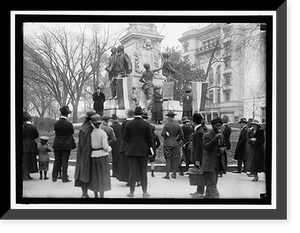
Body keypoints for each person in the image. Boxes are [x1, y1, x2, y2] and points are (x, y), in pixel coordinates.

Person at [123, 106, 154, 198]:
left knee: (132, 171)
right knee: (143, 171)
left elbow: (125, 138)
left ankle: (131, 191)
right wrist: (151, 149)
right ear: (141, 114)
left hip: (131, 150)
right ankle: (144, 191)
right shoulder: (147, 125)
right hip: (143, 151)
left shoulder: (129, 124)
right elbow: (150, 139)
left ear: (134, 114)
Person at [74, 109, 96, 198]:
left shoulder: (84, 126)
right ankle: (85, 193)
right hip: (86, 154)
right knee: (85, 173)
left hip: (82, 153)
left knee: (82, 172)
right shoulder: (89, 128)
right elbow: (88, 143)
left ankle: (84, 193)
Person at [89, 114, 112, 198]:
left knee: (95, 176)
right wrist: (110, 148)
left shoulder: (91, 133)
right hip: (102, 155)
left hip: (93, 155)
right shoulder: (103, 133)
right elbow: (105, 147)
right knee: (103, 176)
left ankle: (95, 195)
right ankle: (102, 195)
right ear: (100, 123)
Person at [201, 117, 224, 198]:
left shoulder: (221, 135)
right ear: (213, 126)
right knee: (212, 184)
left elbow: (225, 145)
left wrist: (223, 149)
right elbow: (206, 147)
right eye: (217, 125)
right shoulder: (206, 135)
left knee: (212, 183)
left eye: (220, 126)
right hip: (209, 163)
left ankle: (207, 197)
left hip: (217, 163)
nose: (219, 127)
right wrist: (215, 139)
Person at [52, 106, 76, 183]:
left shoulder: (56, 123)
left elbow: (55, 131)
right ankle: (64, 177)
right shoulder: (69, 124)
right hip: (66, 144)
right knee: (65, 161)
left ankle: (54, 177)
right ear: (67, 115)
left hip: (57, 143)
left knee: (57, 160)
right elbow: (72, 132)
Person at [161, 110, 184, 179]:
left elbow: (162, 134)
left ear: (168, 117)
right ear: (173, 117)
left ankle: (167, 174)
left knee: (168, 159)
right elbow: (181, 134)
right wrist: (176, 139)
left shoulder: (166, 125)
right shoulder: (177, 125)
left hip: (167, 143)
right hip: (175, 143)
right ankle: (174, 174)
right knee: (174, 158)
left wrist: (166, 135)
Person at [189, 113, 205, 198]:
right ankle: (199, 190)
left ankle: (200, 192)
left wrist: (197, 159)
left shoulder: (199, 132)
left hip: (199, 157)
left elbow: (199, 147)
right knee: (199, 174)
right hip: (197, 156)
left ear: (194, 121)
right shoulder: (198, 130)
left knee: (200, 174)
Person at [116, 109, 134, 184]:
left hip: (124, 145)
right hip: (133, 145)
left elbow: (122, 133)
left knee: (125, 164)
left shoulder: (124, 123)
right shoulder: (133, 122)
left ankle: (127, 179)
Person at [23, 111, 39, 180]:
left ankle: (25, 173)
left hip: (24, 143)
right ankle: (27, 173)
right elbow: (36, 135)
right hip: (31, 144)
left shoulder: (23, 127)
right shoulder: (32, 127)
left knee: (25, 159)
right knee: (30, 160)